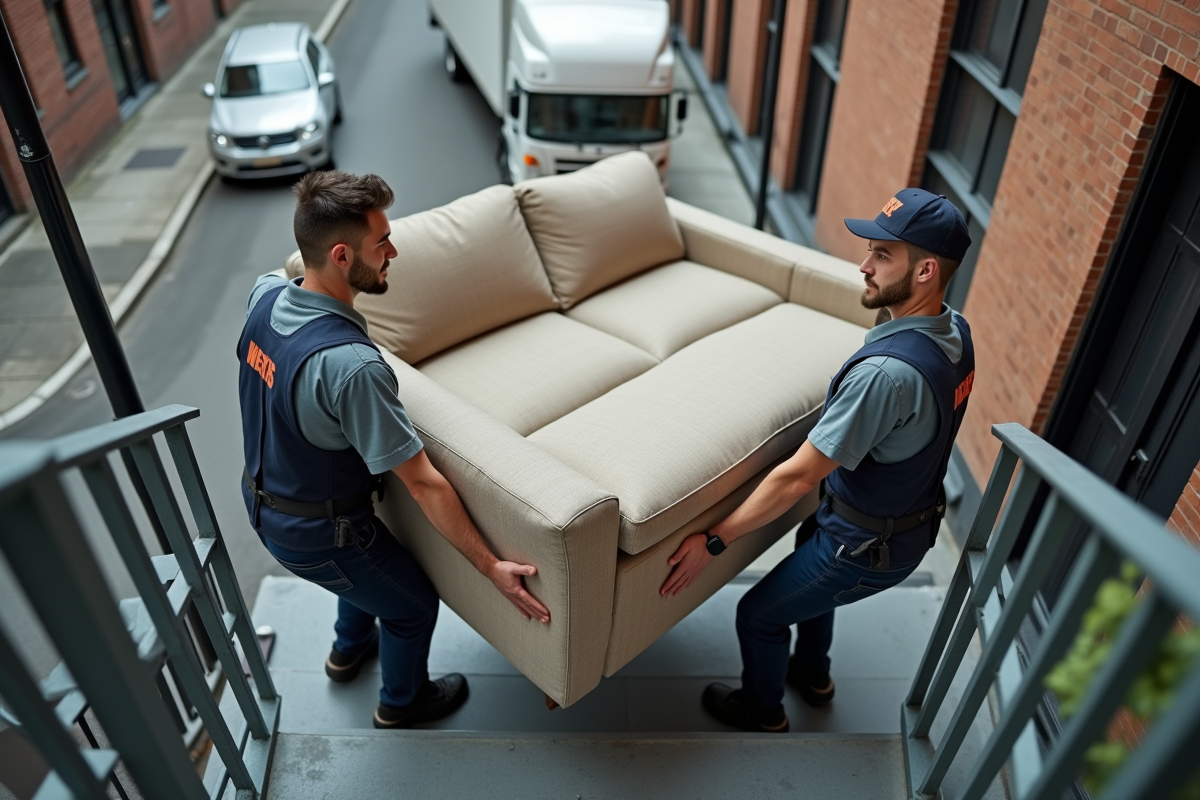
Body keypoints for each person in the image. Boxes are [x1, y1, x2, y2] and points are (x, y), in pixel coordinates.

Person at [237, 170, 549, 729]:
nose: (393, 252)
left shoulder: (264, 296)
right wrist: (489, 565)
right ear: (340, 255)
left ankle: (346, 651)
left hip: (264, 503)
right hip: (318, 535)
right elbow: (424, 482)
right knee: (410, 607)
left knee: (364, 574)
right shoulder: (352, 368)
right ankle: (401, 704)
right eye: (381, 244)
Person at [660, 188, 975, 732]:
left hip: (864, 545)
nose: (864, 266)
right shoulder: (956, 333)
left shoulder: (885, 376)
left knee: (756, 616)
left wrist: (713, 540)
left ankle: (763, 712)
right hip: (894, 522)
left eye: (882, 256)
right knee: (809, 560)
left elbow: (797, 476)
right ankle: (814, 675)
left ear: (925, 271)